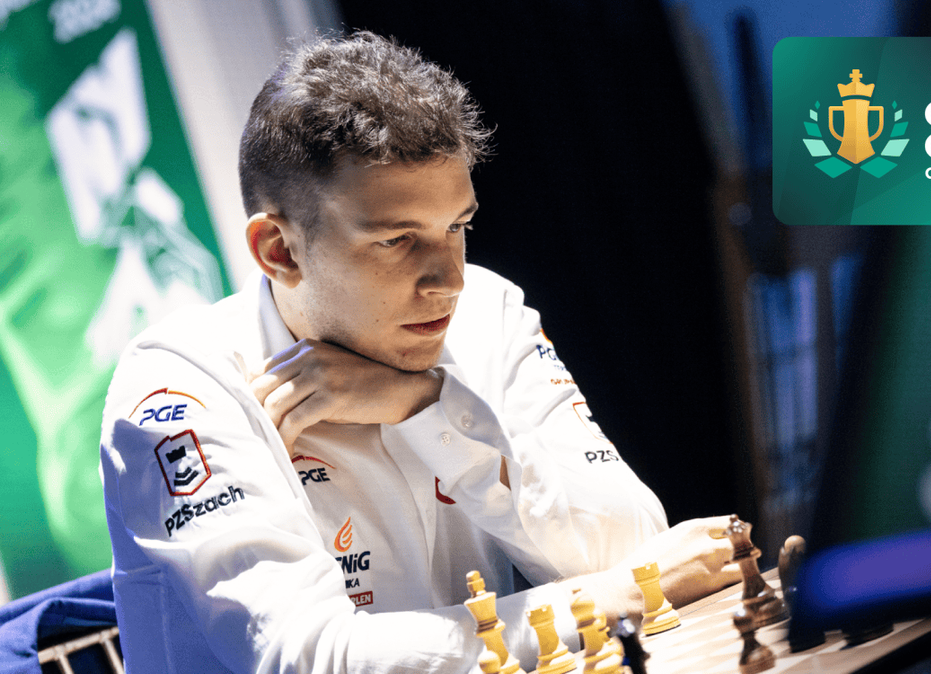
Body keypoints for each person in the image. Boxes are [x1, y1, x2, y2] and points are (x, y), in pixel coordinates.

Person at [99, 31, 739, 673]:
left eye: (457, 226)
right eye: (397, 239)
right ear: (279, 250)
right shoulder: (179, 386)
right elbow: (312, 660)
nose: (450, 279)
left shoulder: (485, 310)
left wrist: (431, 408)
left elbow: (636, 541)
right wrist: (615, 596)